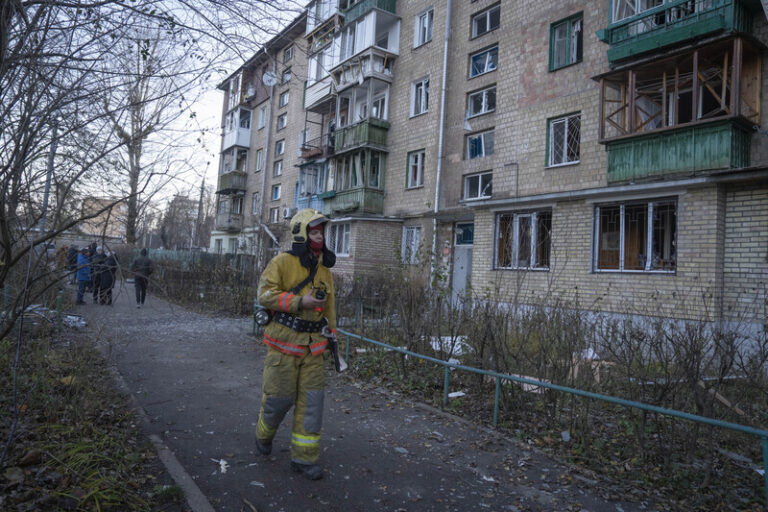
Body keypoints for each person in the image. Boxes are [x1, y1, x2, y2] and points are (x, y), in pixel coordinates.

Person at [254, 208, 337, 480]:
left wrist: (333, 337)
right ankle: (263, 434)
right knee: (278, 401)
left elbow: (330, 308)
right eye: (315, 232)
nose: (320, 236)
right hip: (283, 346)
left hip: (314, 349)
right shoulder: (281, 262)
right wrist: (300, 302)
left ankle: (304, 458)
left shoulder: (324, 271)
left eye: (322, 232)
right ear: (302, 234)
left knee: (312, 405)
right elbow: (265, 295)